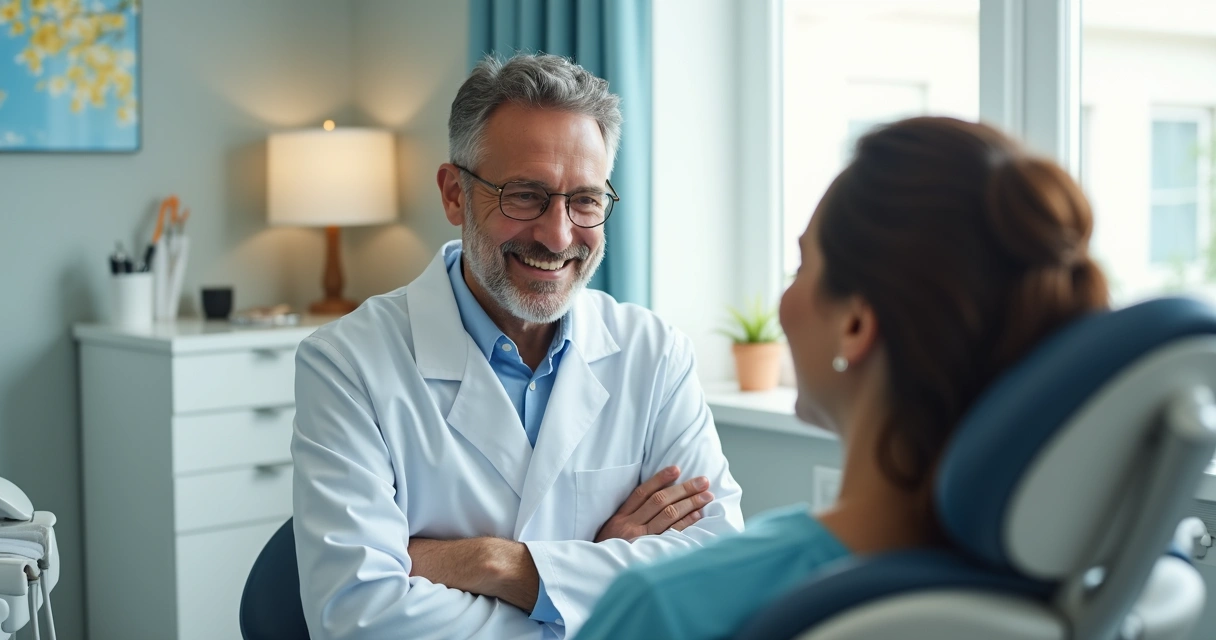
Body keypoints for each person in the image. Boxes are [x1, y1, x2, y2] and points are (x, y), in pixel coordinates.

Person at [575, 116, 1111, 640]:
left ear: (854, 324)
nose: (785, 301)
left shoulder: (666, 607)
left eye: (801, 267)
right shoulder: (1083, 585)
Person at [291, 53, 744, 640]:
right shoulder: (347, 364)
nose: (558, 236)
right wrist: (598, 579)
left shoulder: (653, 354)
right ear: (455, 194)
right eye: (525, 196)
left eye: (584, 199)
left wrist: (498, 565)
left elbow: (721, 577)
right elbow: (358, 619)